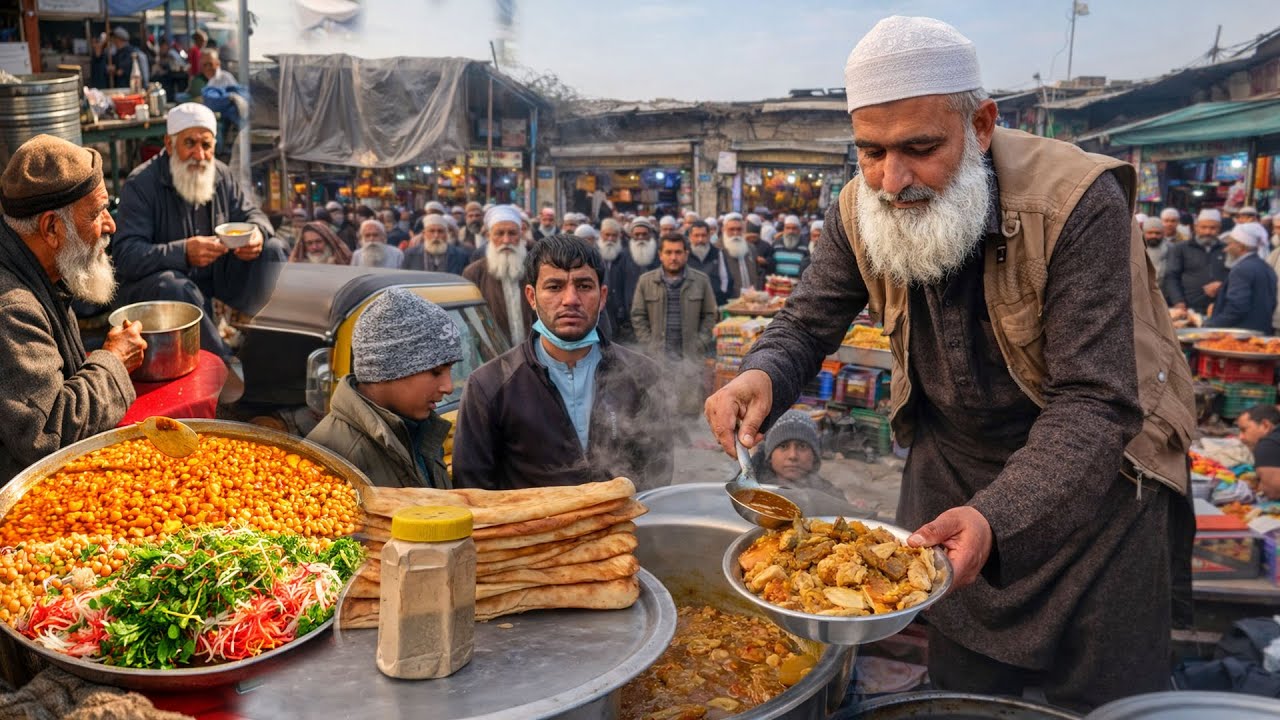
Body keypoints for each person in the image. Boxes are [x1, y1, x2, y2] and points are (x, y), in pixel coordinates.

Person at [704, 16, 1194, 712]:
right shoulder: (856, 207)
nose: (893, 180)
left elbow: (1094, 401)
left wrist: (997, 515)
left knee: (1100, 700)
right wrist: (763, 374)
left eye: (921, 148)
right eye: (870, 151)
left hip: (1097, 488)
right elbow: (807, 320)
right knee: (965, 693)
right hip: (952, 473)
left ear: (983, 124)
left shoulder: (1077, 202)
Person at [452, 234, 673, 491]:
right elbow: (472, 489)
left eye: (583, 286)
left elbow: (657, 473)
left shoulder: (642, 375)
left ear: (602, 297)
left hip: (621, 528)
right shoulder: (489, 385)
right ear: (532, 297)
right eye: (555, 287)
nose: (570, 299)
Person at [0, 135, 145, 483]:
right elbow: (47, 433)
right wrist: (113, 361)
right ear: (51, 228)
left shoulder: (37, 268)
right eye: (97, 213)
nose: (111, 225)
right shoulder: (12, 308)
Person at [113, 103, 285, 363]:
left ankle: (270, 348)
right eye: (190, 143)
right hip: (164, 289)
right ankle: (222, 366)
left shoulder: (221, 173)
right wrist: (183, 252)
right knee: (175, 287)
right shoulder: (141, 184)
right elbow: (126, 256)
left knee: (273, 250)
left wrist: (257, 234)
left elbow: (253, 214)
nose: (199, 154)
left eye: (206, 145)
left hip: (216, 276)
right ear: (169, 145)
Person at [307, 289, 459, 488]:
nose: (449, 387)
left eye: (450, 370)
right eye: (436, 372)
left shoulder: (420, 431)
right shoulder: (329, 456)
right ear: (387, 369)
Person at [631, 233, 718, 362]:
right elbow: (638, 316)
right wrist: (649, 346)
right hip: (657, 358)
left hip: (690, 358)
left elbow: (710, 315)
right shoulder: (646, 281)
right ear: (660, 255)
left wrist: (700, 344)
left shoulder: (701, 281)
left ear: (686, 254)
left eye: (678, 252)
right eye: (668, 252)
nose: (673, 257)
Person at [464, 205, 535, 345]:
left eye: (512, 233)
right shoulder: (474, 273)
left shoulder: (536, 267)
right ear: (489, 236)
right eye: (499, 233)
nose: (506, 240)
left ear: (521, 235)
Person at [749, 409, 845, 499]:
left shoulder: (830, 497)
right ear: (769, 456)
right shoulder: (747, 491)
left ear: (815, 456)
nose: (793, 456)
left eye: (802, 446)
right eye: (783, 446)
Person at [1206, 223, 1277, 333]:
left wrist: (1210, 326)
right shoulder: (1266, 267)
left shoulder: (1241, 269)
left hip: (1241, 335)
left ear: (1240, 247)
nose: (1225, 249)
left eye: (1229, 244)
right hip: (1262, 332)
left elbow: (1237, 307)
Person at [1163, 208, 1228, 315]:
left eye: (1213, 228)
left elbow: (1234, 275)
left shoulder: (1226, 249)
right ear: (1196, 227)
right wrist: (1178, 301)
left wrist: (1222, 284)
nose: (1208, 232)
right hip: (1188, 308)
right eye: (1204, 227)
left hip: (1219, 308)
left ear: (1219, 229)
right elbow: (1171, 276)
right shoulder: (1181, 248)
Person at [1237, 404, 1280, 500]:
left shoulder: (1268, 445)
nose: (1240, 437)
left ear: (1265, 426)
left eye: (1244, 430)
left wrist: (1261, 485)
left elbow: (1273, 492)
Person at [404, 214, 468, 274]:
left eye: (440, 231)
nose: (436, 235)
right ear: (424, 234)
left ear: (446, 234)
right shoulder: (410, 254)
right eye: (432, 231)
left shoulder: (460, 256)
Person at [686, 220, 730, 306]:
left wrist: (721, 296)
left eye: (703, 235)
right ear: (690, 237)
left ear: (709, 236)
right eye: (696, 235)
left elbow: (725, 278)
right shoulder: (684, 253)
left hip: (714, 301)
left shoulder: (718, 253)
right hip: (690, 302)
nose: (700, 239)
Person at [721, 213, 758, 298]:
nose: (735, 233)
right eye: (731, 229)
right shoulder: (718, 249)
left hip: (750, 301)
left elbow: (756, 273)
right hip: (728, 301)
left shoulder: (751, 248)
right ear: (724, 230)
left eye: (739, 229)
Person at [623, 217, 660, 297]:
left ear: (650, 234)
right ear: (631, 235)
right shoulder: (624, 254)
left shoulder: (659, 252)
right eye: (637, 234)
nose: (640, 237)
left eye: (644, 234)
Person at [288, 221, 352, 265]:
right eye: (309, 243)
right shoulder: (297, 266)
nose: (314, 247)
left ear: (328, 241)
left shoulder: (343, 261)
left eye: (318, 241)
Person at [771, 214, 811, 279]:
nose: (791, 231)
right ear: (784, 229)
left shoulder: (805, 246)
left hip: (797, 285)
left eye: (794, 228)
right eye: (788, 228)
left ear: (799, 230)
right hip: (777, 284)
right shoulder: (775, 244)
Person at [1143, 216, 1171, 287]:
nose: (1154, 236)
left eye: (1157, 233)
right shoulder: (1138, 249)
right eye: (1150, 233)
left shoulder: (1171, 249)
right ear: (1144, 233)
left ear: (1163, 233)